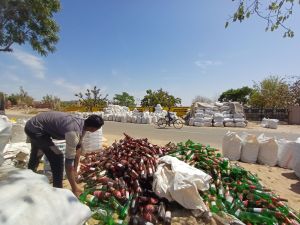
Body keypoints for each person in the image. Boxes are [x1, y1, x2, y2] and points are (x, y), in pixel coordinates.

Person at [24, 111, 104, 197]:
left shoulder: (83, 124)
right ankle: (58, 188)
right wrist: (74, 187)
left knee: (37, 153)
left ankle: (29, 177)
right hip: (35, 130)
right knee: (57, 156)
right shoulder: (73, 133)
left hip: (35, 126)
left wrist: (76, 170)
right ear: (93, 128)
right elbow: (68, 163)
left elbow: (78, 147)